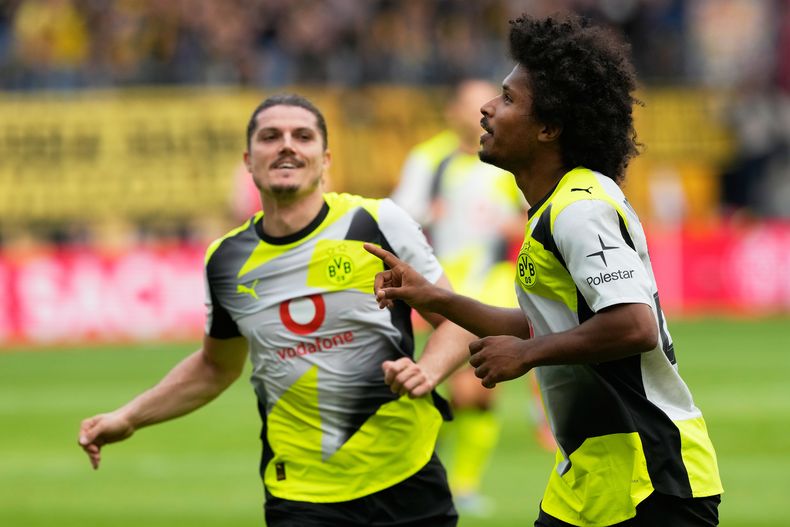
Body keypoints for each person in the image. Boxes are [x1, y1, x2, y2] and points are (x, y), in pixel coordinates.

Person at [363, 12, 723, 527]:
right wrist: (437, 299)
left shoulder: (580, 207)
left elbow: (634, 325)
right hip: (588, 476)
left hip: (651, 477)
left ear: (549, 128)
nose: (487, 109)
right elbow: (552, 324)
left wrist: (529, 355)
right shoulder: (550, 210)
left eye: (508, 99)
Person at [78, 94, 476, 527]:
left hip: (408, 474)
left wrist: (429, 370)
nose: (287, 145)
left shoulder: (378, 222)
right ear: (249, 161)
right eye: (271, 137)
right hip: (300, 493)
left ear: (324, 159)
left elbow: (457, 319)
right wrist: (129, 417)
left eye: (302, 136)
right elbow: (215, 367)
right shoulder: (226, 259)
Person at [390, 78, 552, 514]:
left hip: (494, 285)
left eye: (491, 100)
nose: (481, 109)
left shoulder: (505, 156)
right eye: (469, 103)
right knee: (449, 387)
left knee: (478, 392)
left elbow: (529, 210)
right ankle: (423, 472)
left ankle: (460, 483)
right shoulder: (429, 159)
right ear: (450, 112)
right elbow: (399, 217)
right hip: (444, 289)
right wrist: (427, 215)